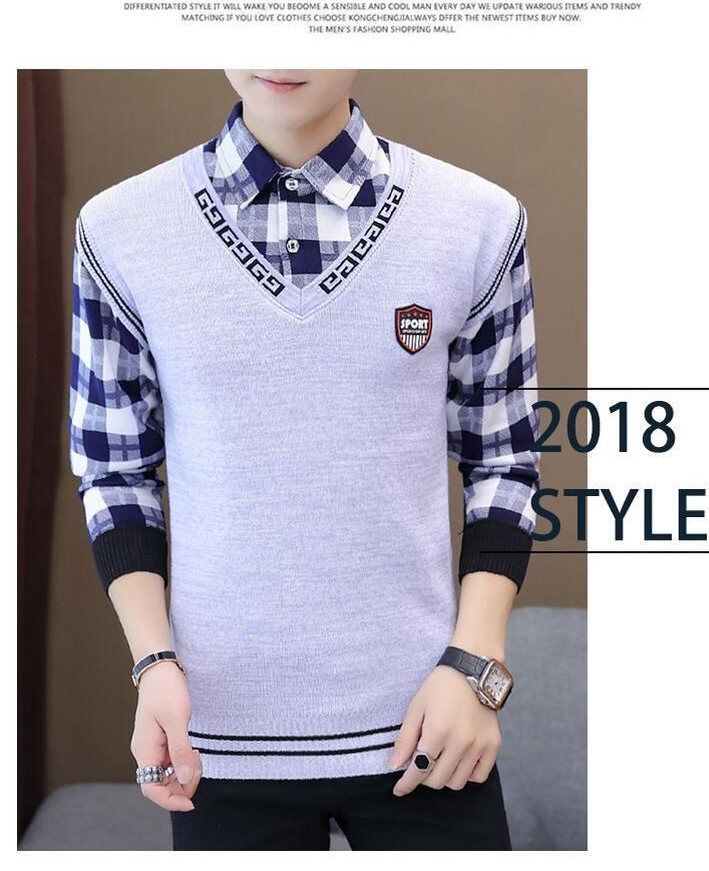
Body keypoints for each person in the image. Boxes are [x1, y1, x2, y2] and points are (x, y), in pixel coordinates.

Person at [70, 68, 536, 850]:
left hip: (433, 728)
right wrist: (153, 664)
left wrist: (476, 668)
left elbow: (505, 460)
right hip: (215, 740)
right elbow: (116, 471)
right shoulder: (119, 230)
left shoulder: (480, 222)